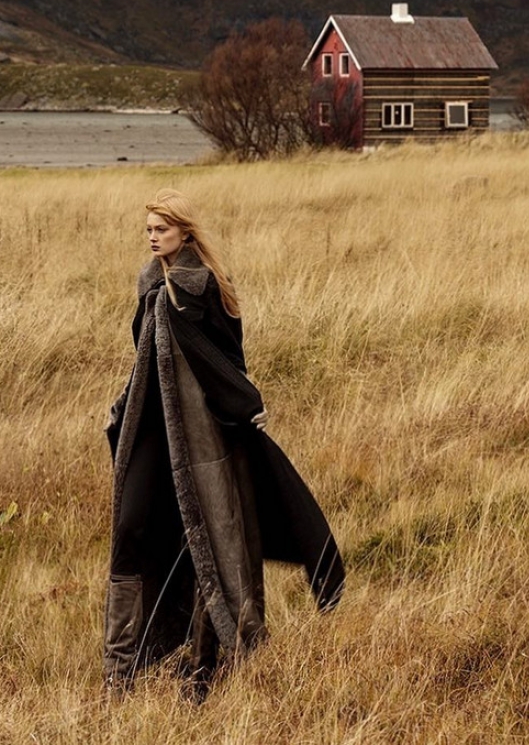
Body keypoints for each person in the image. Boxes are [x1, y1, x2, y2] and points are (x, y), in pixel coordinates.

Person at [103, 188, 344, 694]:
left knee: (209, 542)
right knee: (131, 527)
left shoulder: (205, 286)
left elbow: (227, 360)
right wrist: (122, 410)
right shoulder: (149, 287)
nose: (152, 237)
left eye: (161, 229)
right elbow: (143, 360)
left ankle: (207, 662)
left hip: (201, 436)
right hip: (150, 431)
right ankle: (120, 668)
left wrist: (247, 405)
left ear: (184, 232)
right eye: (148, 228)